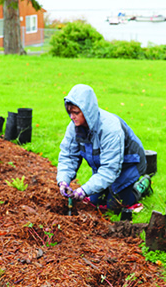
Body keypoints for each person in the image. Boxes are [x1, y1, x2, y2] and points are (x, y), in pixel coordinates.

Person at [56, 84, 151, 213]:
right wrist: (63, 180)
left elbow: (110, 170)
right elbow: (68, 156)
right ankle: (112, 191)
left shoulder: (110, 129)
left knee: (114, 206)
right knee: (95, 202)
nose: (72, 117)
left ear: (87, 110)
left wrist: (84, 190)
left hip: (128, 164)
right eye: (70, 112)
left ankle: (141, 186)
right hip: (103, 165)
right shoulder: (74, 127)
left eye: (76, 112)